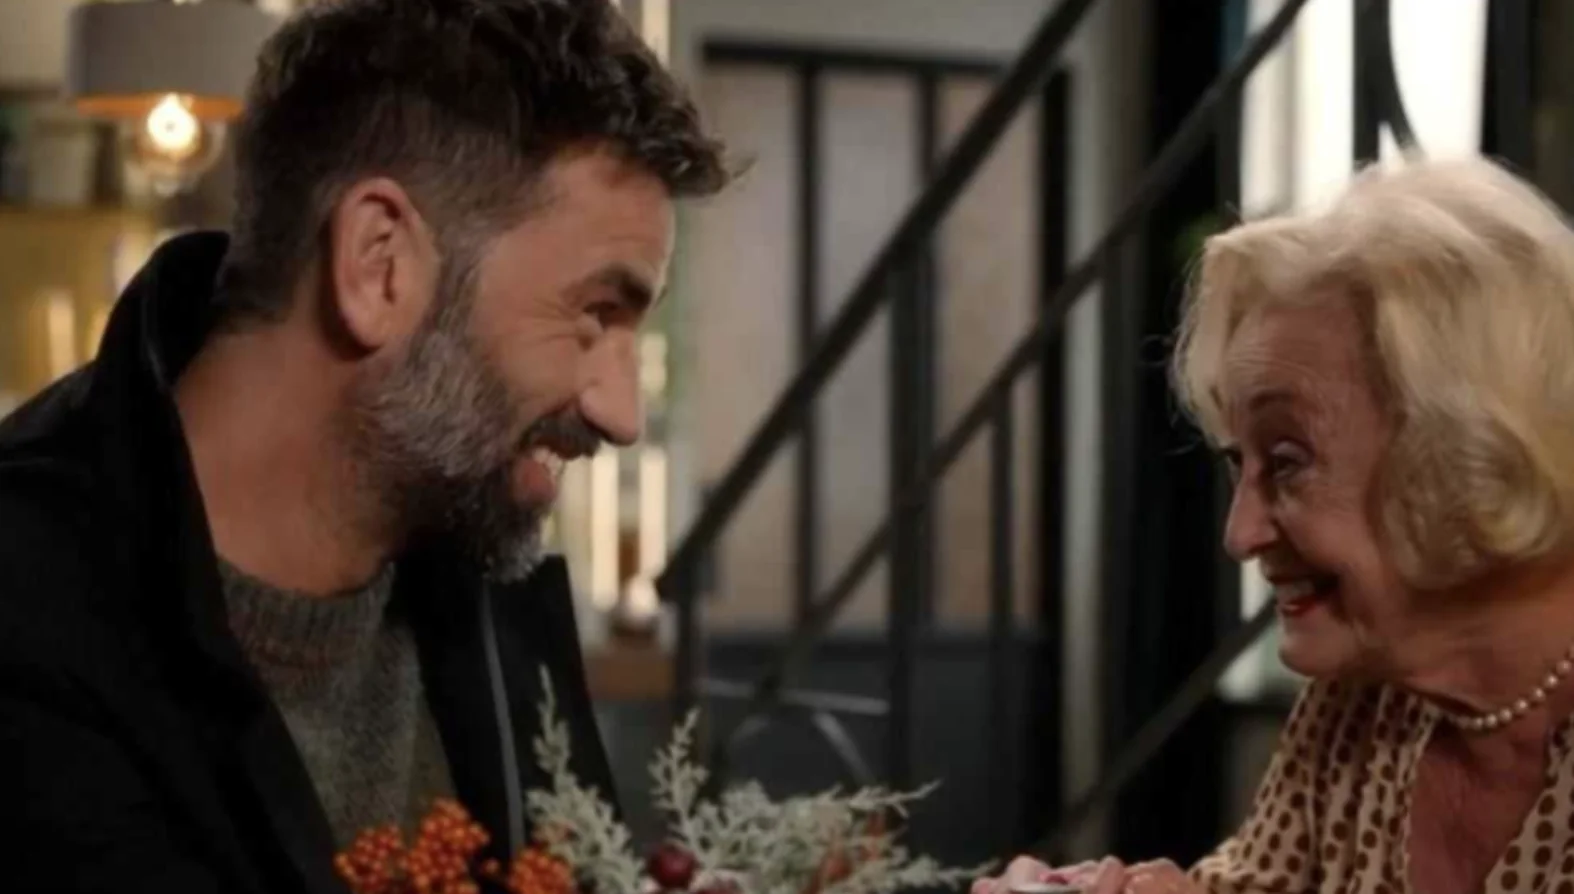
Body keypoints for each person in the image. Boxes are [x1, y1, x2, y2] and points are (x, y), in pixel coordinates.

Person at [0, 0, 728, 890]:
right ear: (379, 263)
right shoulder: (30, 619)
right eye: (596, 312)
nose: (623, 415)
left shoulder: (480, 559)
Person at [975, 156, 1574, 894]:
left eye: (1287, 462)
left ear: (1471, 452)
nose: (1240, 534)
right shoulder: (1362, 698)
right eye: (1239, 464)